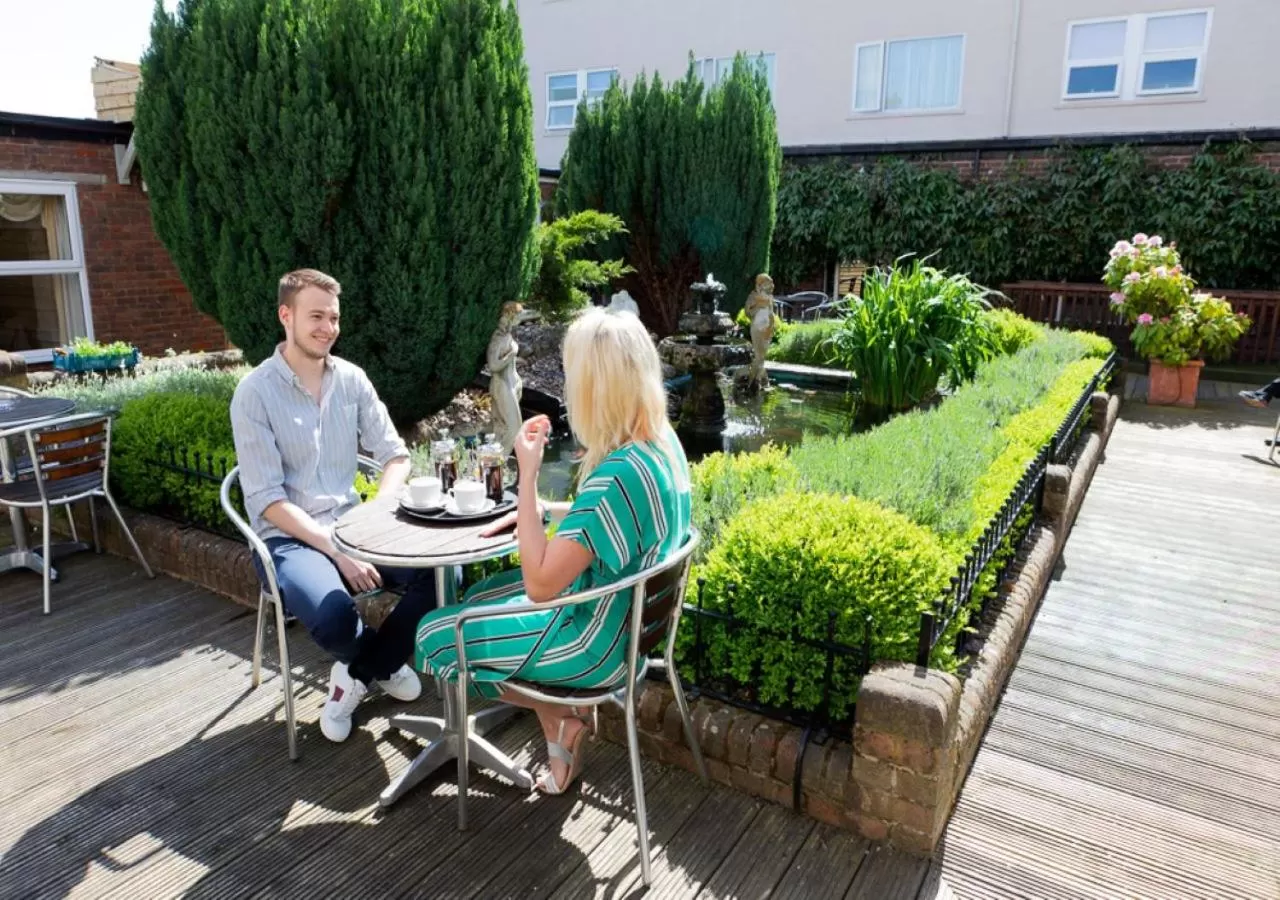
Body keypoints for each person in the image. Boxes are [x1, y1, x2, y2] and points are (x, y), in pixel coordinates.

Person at [414, 307, 692, 794]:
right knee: (481, 594)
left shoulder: (616, 475)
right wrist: (544, 511)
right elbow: (611, 528)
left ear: (595, 385)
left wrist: (527, 475)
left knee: (434, 635)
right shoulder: (661, 445)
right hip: (628, 634)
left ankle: (560, 709)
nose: (566, 385)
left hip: (592, 646)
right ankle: (560, 722)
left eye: (571, 374)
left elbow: (542, 585)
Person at [230, 269, 437, 743]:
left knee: (444, 576)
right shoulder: (254, 393)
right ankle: (380, 662)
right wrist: (338, 551)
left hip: (353, 526)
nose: (327, 327)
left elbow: (396, 455)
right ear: (286, 316)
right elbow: (266, 500)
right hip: (287, 540)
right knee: (334, 617)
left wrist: (378, 514)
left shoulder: (352, 380)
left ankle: (357, 676)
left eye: (334, 317)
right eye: (315, 316)